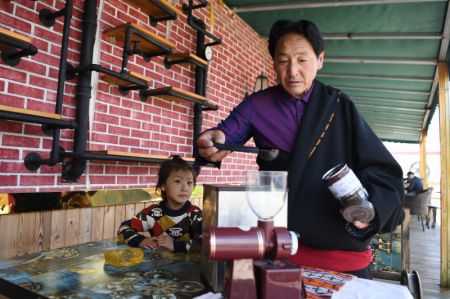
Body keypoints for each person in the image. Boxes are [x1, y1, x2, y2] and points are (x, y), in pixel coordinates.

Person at [196, 20, 404, 278]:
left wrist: (370, 209)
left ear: (320, 60)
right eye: (283, 60)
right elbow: (226, 132)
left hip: (342, 249)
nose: (292, 71)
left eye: (302, 60)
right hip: (281, 247)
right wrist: (214, 140)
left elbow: (379, 166)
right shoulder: (257, 106)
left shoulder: (338, 104)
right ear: (273, 62)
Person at [118, 156, 202, 253]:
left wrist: (175, 246)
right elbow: (123, 228)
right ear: (163, 186)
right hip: (159, 266)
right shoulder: (152, 213)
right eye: (178, 181)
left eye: (189, 183)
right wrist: (141, 240)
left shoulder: (195, 214)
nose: (185, 188)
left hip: (189, 267)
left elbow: (207, 244)